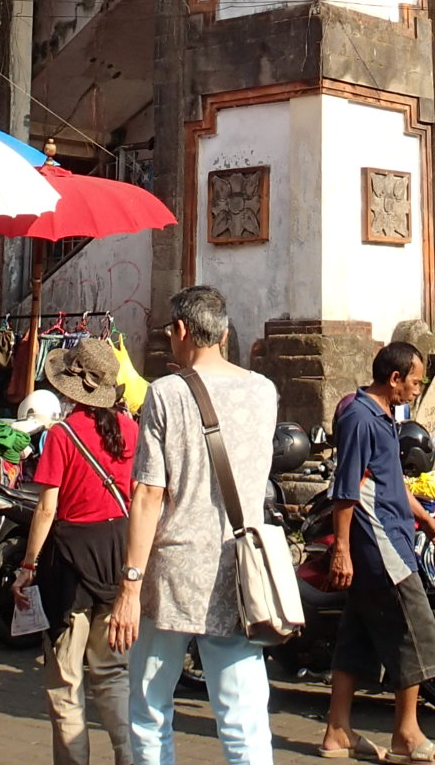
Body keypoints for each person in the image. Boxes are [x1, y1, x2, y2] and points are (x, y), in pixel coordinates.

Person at [107, 286, 279, 765]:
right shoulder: (264, 391)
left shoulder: (166, 393)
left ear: (181, 332)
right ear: (223, 333)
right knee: (243, 714)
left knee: (150, 709)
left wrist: (129, 586)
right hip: (236, 570)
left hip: (173, 572)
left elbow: (147, 495)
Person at [320, 342, 435, 765]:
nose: (418, 389)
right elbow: (346, 488)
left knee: (356, 637)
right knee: (414, 633)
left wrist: (428, 520)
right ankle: (407, 735)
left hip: (389, 535)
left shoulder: (381, 416)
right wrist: (341, 549)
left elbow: (390, 479)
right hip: (378, 544)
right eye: (415, 381)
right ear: (394, 379)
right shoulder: (362, 418)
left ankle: (337, 731)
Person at [15, 337, 136, 765]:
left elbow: (46, 509)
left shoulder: (63, 435)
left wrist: (28, 564)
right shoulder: (130, 429)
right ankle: (131, 757)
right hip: (119, 553)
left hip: (69, 560)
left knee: (66, 684)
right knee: (113, 675)